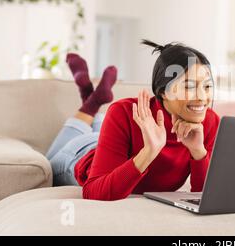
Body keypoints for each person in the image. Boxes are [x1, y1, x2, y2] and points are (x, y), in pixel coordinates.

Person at [46, 40, 220, 201]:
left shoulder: (209, 122)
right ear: (163, 92)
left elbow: (204, 197)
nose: (202, 97)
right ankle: (91, 105)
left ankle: (91, 100)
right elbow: (94, 192)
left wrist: (198, 152)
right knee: (48, 162)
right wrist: (149, 151)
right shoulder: (124, 112)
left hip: (110, 141)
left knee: (99, 127)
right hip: (80, 154)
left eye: (207, 86)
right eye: (189, 86)